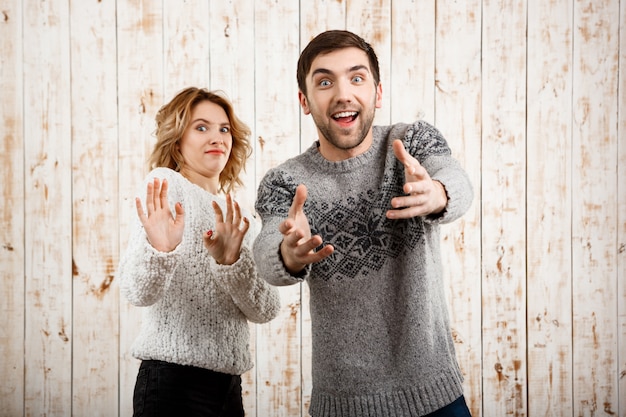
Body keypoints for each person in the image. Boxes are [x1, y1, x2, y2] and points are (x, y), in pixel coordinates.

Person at [253, 30, 473, 417]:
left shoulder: (411, 143)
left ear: (378, 92)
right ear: (304, 101)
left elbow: (457, 183)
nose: (343, 93)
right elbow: (268, 252)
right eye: (324, 82)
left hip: (436, 394)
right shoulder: (285, 181)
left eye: (357, 78)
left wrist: (438, 193)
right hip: (341, 404)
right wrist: (288, 253)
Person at [118, 87, 281, 417]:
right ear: (177, 142)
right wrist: (161, 249)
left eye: (224, 129)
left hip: (228, 388)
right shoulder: (166, 184)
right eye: (201, 127)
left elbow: (266, 309)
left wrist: (232, 261)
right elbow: (136, 291)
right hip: (172, 384)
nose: (217, 137)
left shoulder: (238, 214)